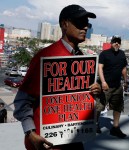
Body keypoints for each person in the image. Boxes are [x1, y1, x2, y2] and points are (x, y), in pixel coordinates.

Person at [13, 4, 101, 150]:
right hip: (47, 144)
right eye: (80, 23)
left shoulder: (83, 60)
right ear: (64, 24)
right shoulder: (45, 57)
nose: (85, 27)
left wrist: (96, 91)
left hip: (74, 140)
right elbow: (22, 101)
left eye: (87, 24)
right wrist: (30, 133)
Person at [98, 35, 128, 138]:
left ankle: (115, 128)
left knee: (118, 107)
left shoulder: (122, 54)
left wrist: (126, 81)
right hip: (106, 86)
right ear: (111, 43)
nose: (117, 43)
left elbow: (124, 69)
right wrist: (103, 82)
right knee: (99, 107)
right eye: (115, 42)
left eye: (118, 42)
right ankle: (96, 125)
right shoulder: (104, 54)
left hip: (117, 86)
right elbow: (100, 68)